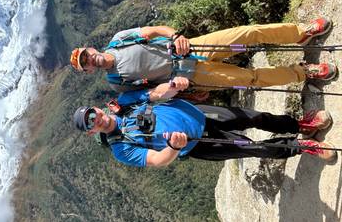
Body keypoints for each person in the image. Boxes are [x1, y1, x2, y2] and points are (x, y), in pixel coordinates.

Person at [72, 77, 337, 167]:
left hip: (200, 114)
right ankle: (301, 146)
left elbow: (157, 94)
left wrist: (174, 86)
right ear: (91, 132)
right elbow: (156, 161)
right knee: (251, 147)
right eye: (91, 123)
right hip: (197, 145)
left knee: (254, 117)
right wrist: (173, 148)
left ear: (97, 108)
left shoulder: (125, 101)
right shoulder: (120, 148)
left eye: (92, 114)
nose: (97, 119)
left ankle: (300, 125)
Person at [70, 19, 338, 93]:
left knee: (246, 34)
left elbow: (154, 30)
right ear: (89, 71)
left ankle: (301, 33)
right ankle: (305, 72)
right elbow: (152, 93)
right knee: (250, 78)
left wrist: (175, 36)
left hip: (192, 47)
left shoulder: (120, 39)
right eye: (86, 64)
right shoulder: (117, 83)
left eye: (86, 55)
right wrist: (180, 89)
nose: (90, 60)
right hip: (192, 74)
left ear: (90, 48)